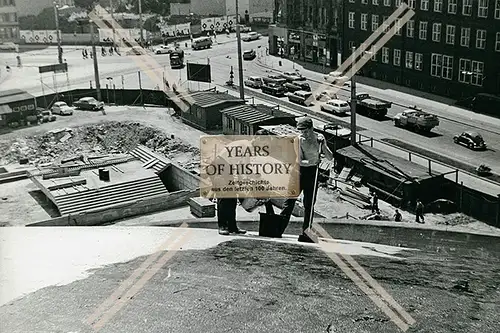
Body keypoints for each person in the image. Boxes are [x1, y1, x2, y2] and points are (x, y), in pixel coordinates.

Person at [280, 116, 333, 242]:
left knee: (309, 204)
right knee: (289, 203)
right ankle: (278, 229)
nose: (304, 134)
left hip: (312, 173)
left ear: (312, 128)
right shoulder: (299, 140)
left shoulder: (319, 138)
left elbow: (330, 157)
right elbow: (300, 160)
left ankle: (306, 233)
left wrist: (323, 145)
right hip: (298, 172)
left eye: (306, 131)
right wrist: (313, 160)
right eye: (302, 131)